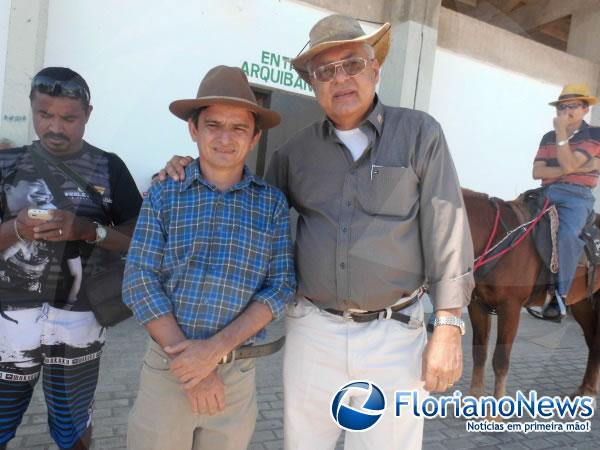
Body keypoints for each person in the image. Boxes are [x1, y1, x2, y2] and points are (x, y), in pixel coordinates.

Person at [161, 15, 474, 450]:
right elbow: (247, 207)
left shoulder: (420, 135)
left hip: (395, 334)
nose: (339, 78)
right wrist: (191, 165)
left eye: (352, 64)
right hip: (313, 331)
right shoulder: (295, 153)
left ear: (375, 68)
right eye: (324, 71)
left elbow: (449, 234)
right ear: (312, 83)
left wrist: (448, 328)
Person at [123, 65, 295, 450]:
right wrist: (194, 369)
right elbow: (139, 279)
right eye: (213, 125)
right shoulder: (164, 193)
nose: (224, 139)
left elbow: (281, 286)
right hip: (169, 370)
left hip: (236, 374)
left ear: (254, 138)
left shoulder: (270, 205)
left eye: (238, 128)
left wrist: (213, 353)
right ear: (193, 130)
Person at [0, 67, 142, 450]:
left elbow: (139, 239)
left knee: (74, 423)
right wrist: (17, 228)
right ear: (32, 108)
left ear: (88, 114)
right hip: (9, 322)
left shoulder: (109, 168)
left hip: (80, 318)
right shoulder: (6, 166)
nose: (55, 128)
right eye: (45, 114)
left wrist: (87, 231)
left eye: (69, 118)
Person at [533, 84, 599, 320]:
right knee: (512, 221)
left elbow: (569, 166)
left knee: (567, 235)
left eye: (571, 106)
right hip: (546, 190)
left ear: (584, 109)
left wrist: (561, 135)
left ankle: (559, 297)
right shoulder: (547, 137)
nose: (565, 111)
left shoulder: (594, 134)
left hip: (576, 196)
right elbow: (536, 171)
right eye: (562, 106)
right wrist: (575, 166)